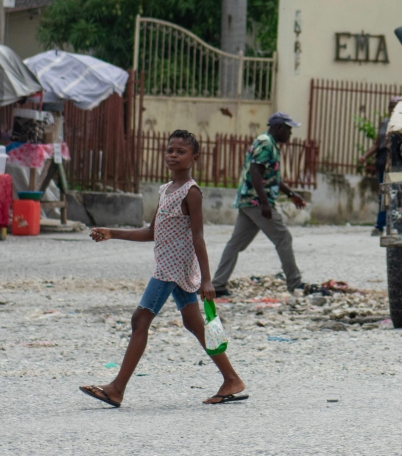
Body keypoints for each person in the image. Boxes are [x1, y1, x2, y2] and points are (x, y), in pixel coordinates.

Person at [79, 130, 247, 408]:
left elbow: (198, 237)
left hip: (172, 269)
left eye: (181, 151)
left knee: (140, 320)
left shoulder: (191, 192)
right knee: (193, 322)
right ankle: (231, 379)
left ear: (195, 158)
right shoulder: (165, 190)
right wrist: (112, 233)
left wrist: (207, 279)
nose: (173, 155)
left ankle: (117, 389)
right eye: (170, 150)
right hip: (170, 266)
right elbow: (152, 232)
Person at [212, 113, 309, 296]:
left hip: (248, 199)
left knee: (236, 243)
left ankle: (217, 285)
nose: (290, 134)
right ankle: (295, 284)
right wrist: (264, 203)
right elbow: (255, 173)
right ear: (279, 128)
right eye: (288, 129)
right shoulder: (265, 143)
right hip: (256, 201)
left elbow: (271, 177)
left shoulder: (269, 144)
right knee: (283, 238)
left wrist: (291, 194)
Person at [361, 97, 402, 237]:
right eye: (390, 106)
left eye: (394, 105)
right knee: (383, 194)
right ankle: (380, 225)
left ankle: (396, 224)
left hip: (398, 160)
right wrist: (365, 156)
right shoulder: (384, 123)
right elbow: (377, 143)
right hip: (383, 160)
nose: (392, 108)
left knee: (398, 194)